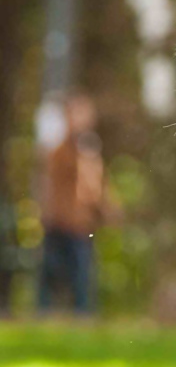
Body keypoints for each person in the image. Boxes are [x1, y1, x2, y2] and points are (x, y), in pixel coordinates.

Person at [37, 93, 106, 315]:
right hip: (58, 222)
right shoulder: (60, 149)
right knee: (50, 275)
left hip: (81, 225)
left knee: (82, 278)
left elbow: (94, 187)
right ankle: (44, 316)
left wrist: (105, 208)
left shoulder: (89, 148)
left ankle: (82, 317)